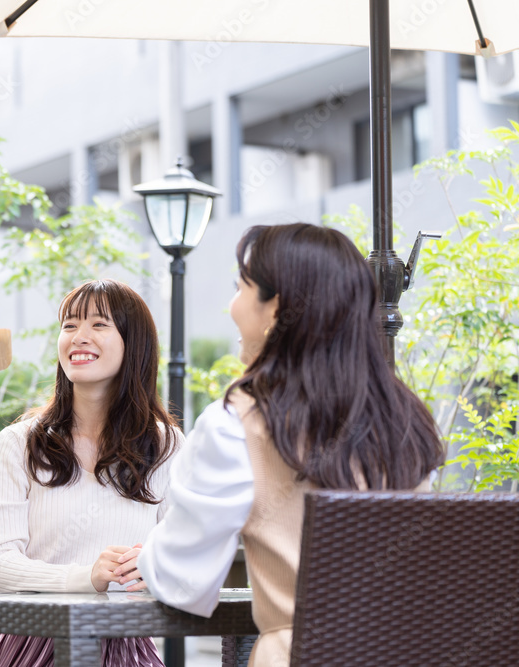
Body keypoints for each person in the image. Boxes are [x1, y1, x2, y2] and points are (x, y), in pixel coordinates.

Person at [114, 223, 445, 666]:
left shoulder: (239, 421)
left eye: (241, 288)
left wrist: (150, 556)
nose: (231, 306)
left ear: (277, 309)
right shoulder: (402, 418)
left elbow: (182, 582)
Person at [0, 279, 182, 667]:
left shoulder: (167, 445)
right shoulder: (18, 443)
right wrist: (87, 577)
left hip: (127, 646)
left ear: (133, 343)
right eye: (69, 325)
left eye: (99, 325)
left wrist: (154, 566)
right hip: (30, 644)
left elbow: (185, 558)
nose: (79, 337)